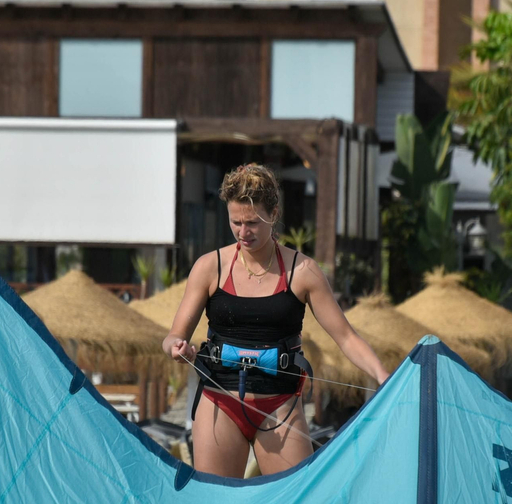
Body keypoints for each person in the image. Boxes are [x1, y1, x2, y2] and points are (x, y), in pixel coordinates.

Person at [163, 164, 388, 477]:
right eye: (236, 222)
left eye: (253, 223)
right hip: (220, 402)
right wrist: (176, 347)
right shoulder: (209, 267)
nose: (243, 232)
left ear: (274, 214)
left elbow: (346, 337)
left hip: (280, 405)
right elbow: (174, 335)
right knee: (218, 503)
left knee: (298, 499)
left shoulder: (303, 271)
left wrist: (383, 376)